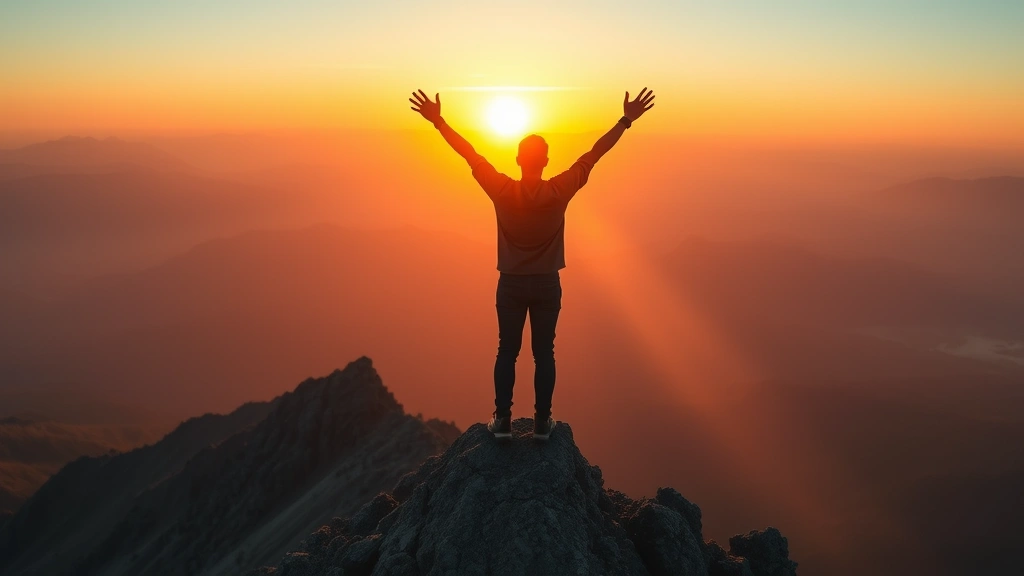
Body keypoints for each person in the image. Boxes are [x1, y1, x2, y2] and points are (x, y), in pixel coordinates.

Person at [409, 87, 655, 441]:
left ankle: (503, 421)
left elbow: (469, 153)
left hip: (510, 283)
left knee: (506, 351)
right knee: (545, 353)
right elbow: (594, 154)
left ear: (518, 160)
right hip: (546, 284)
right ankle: (542, 423)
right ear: (546, 161)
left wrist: (438, 122)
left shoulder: (501, 190)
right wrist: (626, 120)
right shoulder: (560, 190)